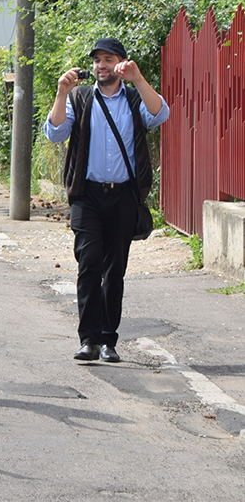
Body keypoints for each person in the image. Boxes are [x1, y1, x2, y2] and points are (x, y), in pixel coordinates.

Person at [44, 36, 170, 363]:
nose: (101, 65)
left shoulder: (132, 98)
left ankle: (108, 340)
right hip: (87, 195)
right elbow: (55, 132)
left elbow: (159, 114)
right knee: (89, 264)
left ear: (121, 64)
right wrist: (60, 92)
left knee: (114, 271)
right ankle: (89, 340)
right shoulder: (80, 97)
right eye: (97, 60)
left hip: (124, 196)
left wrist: (139, 79)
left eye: (108, 59)